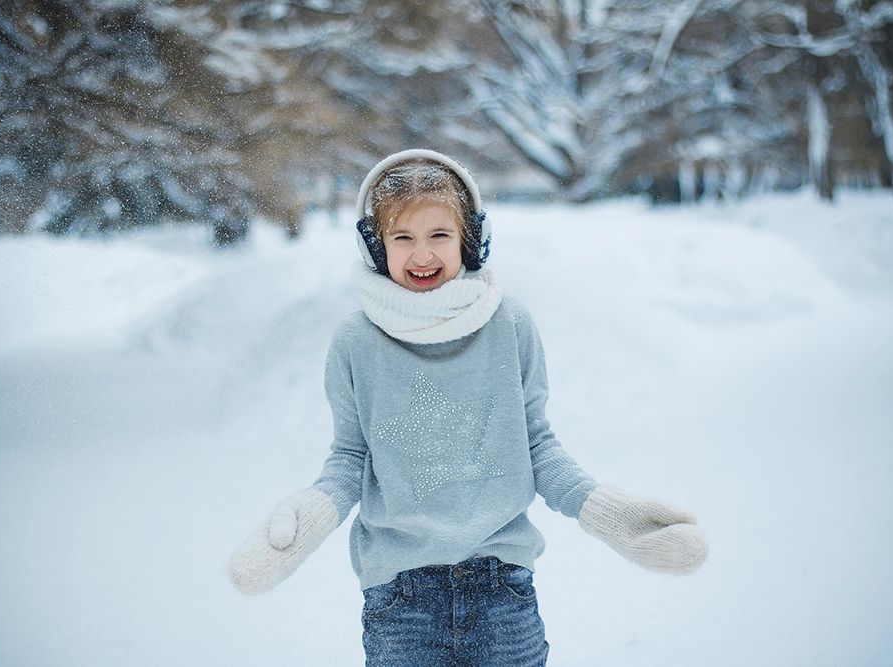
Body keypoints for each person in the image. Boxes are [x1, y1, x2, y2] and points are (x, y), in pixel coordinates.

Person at [229, 149, 708, 666]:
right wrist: (309, 516)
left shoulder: (510, 326)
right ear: (375, 246)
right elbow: (350, 458)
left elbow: (537, 447)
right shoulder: (355, 343)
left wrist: (610, 514)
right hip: (401, 600)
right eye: (402, 237)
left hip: (502, 588)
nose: (422, 255)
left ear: (470, 240)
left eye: (440, 235)